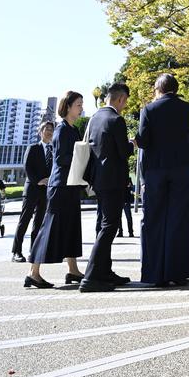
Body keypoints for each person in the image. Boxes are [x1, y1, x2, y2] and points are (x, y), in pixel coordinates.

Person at [136, 73, 189, 285]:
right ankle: (178, 272)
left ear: (158, 88)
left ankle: (155, 274)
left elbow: (143, 140)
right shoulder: (187, 108)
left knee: (154, 219)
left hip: (156, 170)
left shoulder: (148, 109)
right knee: (179, 219)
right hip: (182, 166)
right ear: (175, 89)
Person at [26, 92, 84, 289]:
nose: (81, 107)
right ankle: (33, 273)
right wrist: (84, 156)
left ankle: (73, 269)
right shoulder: (61, 131)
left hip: (71, 185)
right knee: (49, 229)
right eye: (78, 104)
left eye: (81, 104)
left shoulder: (73, 130)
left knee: (71, 227)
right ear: (67, 107)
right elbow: (61, 160)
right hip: (60, 187)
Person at [80, 83, 135, 293]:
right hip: (113, 180)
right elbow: (123, 152)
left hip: (98, 180)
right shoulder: (116, 120)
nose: (125, 106)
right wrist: (133, 144)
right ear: (120, 99)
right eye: (125, 102)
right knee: (110, 226)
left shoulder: (95, 118)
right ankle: (91, 276)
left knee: (104, 224)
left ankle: (104, 271)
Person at [11, 120, 54, 262]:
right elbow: (27, 167)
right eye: (46, 129)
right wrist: (38, 181)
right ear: (40, 132)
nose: (49, 131)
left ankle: (34, 252)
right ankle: (16, 252)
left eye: (51, 129)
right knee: (24, 221)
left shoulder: (53, 150)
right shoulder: (33, 147)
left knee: (39, 222)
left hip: (45, 192)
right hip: (32, 190)